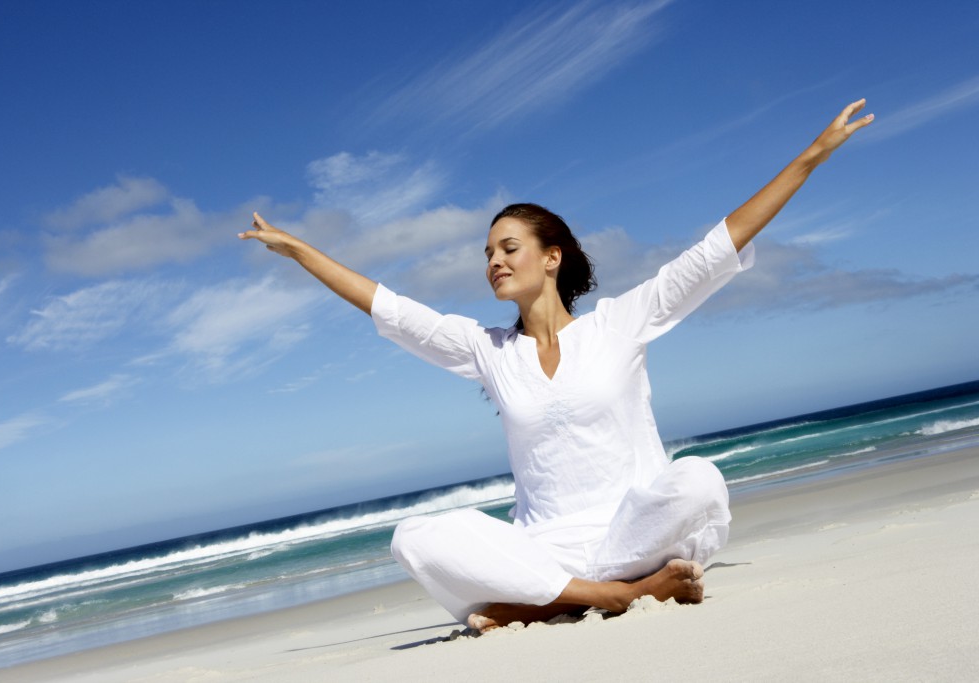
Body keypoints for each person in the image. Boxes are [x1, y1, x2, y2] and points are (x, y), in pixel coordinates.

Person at [240, 100, 874, 632]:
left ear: (553, 258)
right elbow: (392, 309)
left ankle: (550, 601)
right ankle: (611, 596)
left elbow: (715, 250)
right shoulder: (487, 350)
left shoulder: (620, 323)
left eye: (508, 248)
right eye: (487, 252)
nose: (493, 260)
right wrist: (299, 251)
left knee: (699, 481)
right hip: (544, 547)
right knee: (414, 538)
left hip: (635, 528)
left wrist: (812, 157)